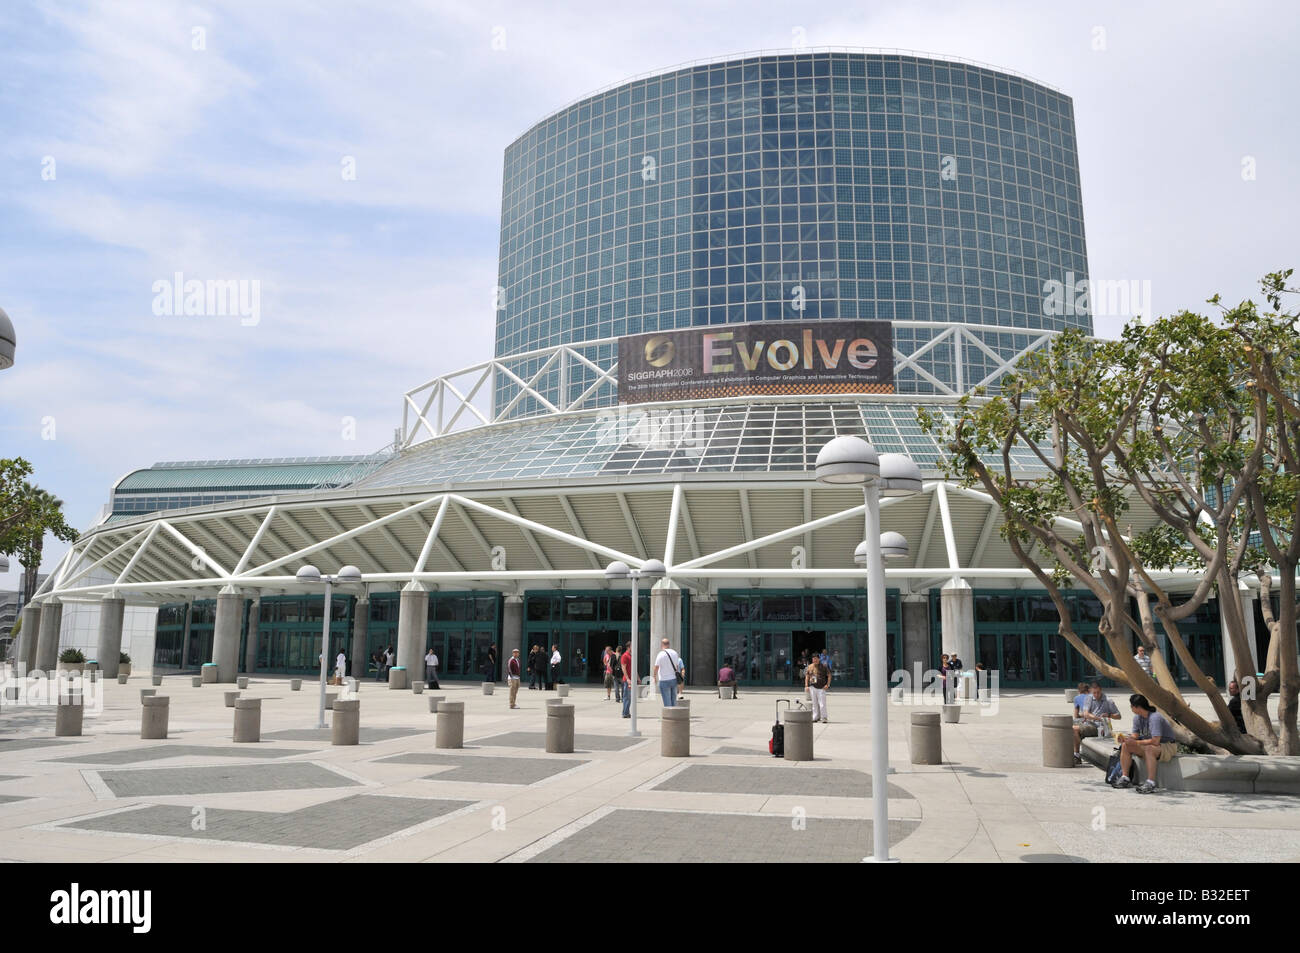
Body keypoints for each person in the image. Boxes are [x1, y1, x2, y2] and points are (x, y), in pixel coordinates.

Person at [1114, 694, 1178, 792]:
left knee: (1149, 748)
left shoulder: (1154, 718)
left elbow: (1156, 741)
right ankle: (1125, 778)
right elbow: (1135, 735)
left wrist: (1136, 742)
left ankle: (1150, 783)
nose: (1130, 708)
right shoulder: (1137, 718)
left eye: (1131, 706)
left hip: (1167, 746)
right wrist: (1127, 739)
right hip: (1150, 745)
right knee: (1125, 746)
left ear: (1138, 707)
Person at [1072, 681, 1120, 764]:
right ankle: (1072, 753)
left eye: (1098, 692)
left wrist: (1109, 715)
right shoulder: (1089, 698)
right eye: (1094, 693)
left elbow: (1118, 716)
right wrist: (1097, 718)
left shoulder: (1108, 700)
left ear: (1101, 690)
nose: (1096, 695)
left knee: (1074, 729)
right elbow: (1086, 714)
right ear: (1090, 691)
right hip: (1089, 724)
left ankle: (1076, 755)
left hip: (1099, 727)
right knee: (1066, 727)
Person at [652, 638, 683, 708]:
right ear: (669, 644)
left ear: (662, 644)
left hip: (664, 680)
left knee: (667, 702)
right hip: (673, 679)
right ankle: (674, 716)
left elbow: (656, 667)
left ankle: (669, 717)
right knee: (673, 700)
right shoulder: (675, 653)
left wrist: (654, 677)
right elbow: (677, 666)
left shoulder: (660, 654)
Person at [805, 653, 831, 722]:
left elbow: (829, 675)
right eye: (813, 659)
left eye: (816, 658)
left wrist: (827, 685)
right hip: (812, 687)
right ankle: (815, 717)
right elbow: (807, 676)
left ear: (819, 659)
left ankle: (824, 718)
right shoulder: (810, 666)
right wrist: (806, 686)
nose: (815, 660)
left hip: (821, 688)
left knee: (822, 704)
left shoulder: (824, 666)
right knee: (814, 703)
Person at [620, 643, 633, 718]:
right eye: (632, 646)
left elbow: (633, 668)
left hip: (631, 679)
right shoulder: (624, 656)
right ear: (628, 647)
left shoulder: (631, 655)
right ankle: (625, 713)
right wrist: (627, 678)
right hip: (627, 680)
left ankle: (626, 712)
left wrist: (637, 678)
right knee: (627, 697)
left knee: (629, 697)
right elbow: (623, 668)